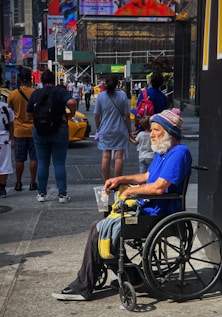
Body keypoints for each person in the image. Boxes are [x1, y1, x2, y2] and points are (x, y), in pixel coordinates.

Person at [52, 109, 192, 301]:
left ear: (169, 133)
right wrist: (119, 179)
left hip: (159, 213)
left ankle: (86, 285)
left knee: (99, 228)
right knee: (101, 226)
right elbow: (147, 177)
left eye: (155, 130)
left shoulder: (179, 152)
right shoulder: (163, 150)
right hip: (148, 208)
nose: (151, 134)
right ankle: (128, 276)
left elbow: (159, 187)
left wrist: (130, 191)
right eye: (151, 130)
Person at [26, 69, 77, 203]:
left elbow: (29, 113)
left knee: (42, 162)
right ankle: (62, 195)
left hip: (39, 130)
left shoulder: (36, 93)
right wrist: (70, 115)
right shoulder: (60, 91)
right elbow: (72, 102)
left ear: (42, 81)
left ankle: (42, 194)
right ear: (54, 80)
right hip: (59, 128)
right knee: (59, 163)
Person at [94, 74, 133, 182]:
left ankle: (106, 183)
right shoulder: (122, 96)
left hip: (105, 130)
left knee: (105, 156)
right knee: (119, 157)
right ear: (117, 84)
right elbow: (127, 116)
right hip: (120, 129)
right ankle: (116, 184)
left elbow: (97, 115)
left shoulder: (101, 97)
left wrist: (98, 128)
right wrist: (129, 131)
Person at [7, 66, 37, 191]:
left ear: (19, 79)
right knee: (34, 158)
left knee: (19, 159)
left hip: (18, 131)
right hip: (33, 130)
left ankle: (18, 183)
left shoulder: (13, 95)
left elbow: (9, 113)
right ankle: (32, 183)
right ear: (30, 79)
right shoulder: (35, 93)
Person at [0, 101, 15, 197]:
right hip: (4, 137)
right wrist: (12, 138)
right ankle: (2, 188)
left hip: (4, 137)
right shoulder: (6, 107)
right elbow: (11, 123)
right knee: (4, 164)